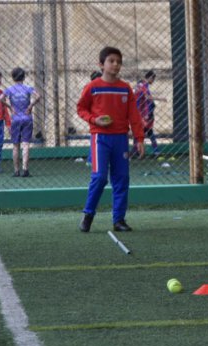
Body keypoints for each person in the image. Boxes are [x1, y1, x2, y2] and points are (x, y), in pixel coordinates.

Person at [77, 46, 146, 233]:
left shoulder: (125, 89)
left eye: (118, 62)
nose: (115, 64)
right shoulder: (92, 87)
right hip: (100, 138)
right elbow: (81, 109)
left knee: (122, 178)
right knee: (99, 177)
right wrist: (94, 120)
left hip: (121, 139)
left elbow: (134, 115)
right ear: (101, 64)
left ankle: (119, 220)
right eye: (111, 61)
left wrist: (139, 139)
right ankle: (88, 214)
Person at [1, 67, 40, 177]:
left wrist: (10, 107)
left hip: (16, 119)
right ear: (24, 77)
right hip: (27, 118)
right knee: (26, 144)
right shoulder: (28, 88)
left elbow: (0, 98)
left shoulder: (10, 89)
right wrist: (31, 105)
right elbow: (38, 96)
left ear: (13, 77)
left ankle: (16, 170)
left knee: (15, 145)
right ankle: (25, 169)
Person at [133, 70, 165, 157]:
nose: (153, 82)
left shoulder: (138, 85)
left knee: (142, 131)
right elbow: (148, 97)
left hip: (138, 112)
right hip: (143, 113)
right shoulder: (144, 85)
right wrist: (160, 99)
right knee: (146, 131)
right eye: (153, 79)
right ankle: (153, 150)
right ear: (150, 78)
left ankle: (136, 151)